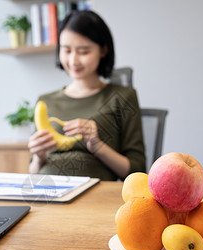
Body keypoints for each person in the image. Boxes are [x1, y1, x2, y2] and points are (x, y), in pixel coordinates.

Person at [28, 10, 145, 181]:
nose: (73, 60)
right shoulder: (45, 101)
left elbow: (137, 171)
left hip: (96, 198)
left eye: (83, 51)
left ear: (103, 50)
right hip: (47, 194)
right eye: (66, 50)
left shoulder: (123, 97)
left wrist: (97, 145)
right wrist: (38, 156)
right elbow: (33, 171)